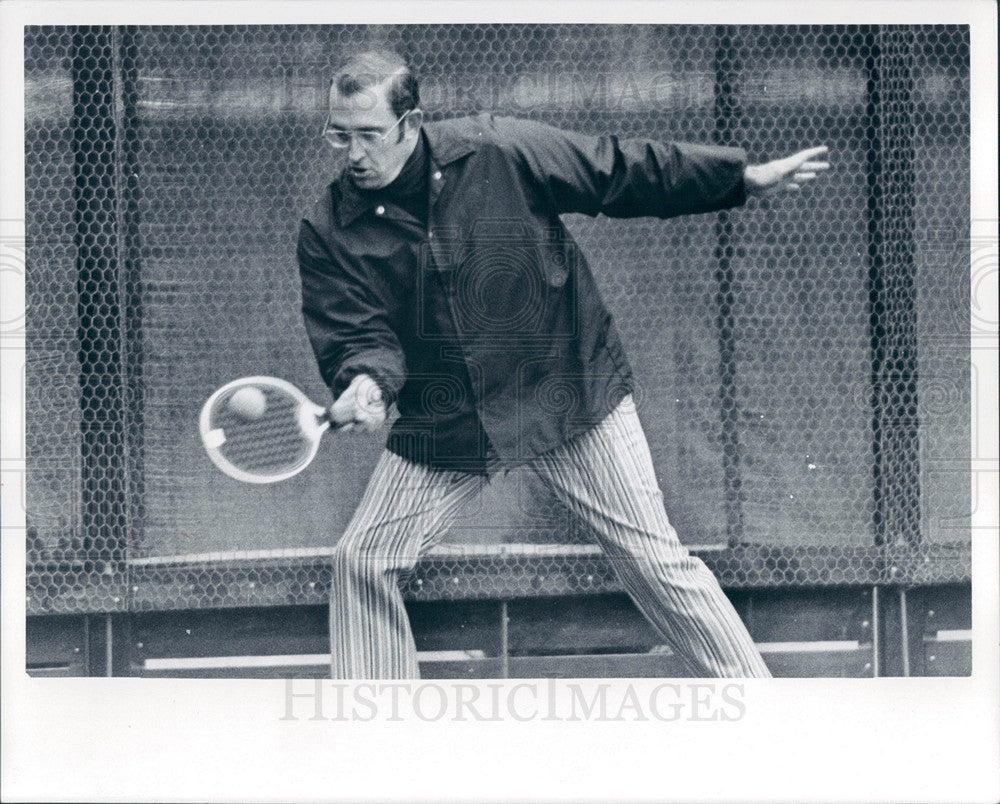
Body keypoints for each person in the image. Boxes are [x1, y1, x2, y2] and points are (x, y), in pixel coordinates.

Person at [297, 50, 830, 679]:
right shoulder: (328, 227)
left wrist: (737, 179)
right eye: (340, 135)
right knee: (363, 559)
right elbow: (359, 331)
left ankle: (763, 713)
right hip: (449, 415)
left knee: (654, 561)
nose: (354, 153)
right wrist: (367, 381)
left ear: (410, 125)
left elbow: (618, 170)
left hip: (564, 390)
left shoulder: (496, 149)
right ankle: (377, 736)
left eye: (368, 135)